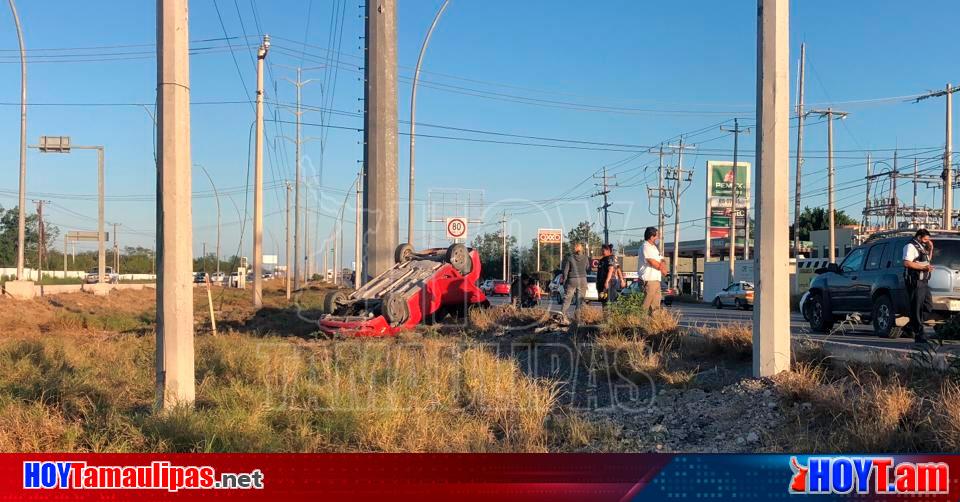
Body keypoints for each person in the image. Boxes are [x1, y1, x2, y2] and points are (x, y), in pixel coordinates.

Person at [903, 228, 934, 343]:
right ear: (919, 237)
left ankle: (910, 326)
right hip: (915, 281)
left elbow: (927, 260)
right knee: (917, 307)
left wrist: (931, 249)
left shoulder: (922, 247)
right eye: (925, 239)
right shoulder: (910, 246)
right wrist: (923, 268)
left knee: (928, 306)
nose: (927, 242)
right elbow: (906, 262)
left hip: (924, 281)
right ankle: (919, 334)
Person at [638, 227, 668, 314]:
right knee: (646, 305)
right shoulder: (645, 247)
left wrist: (663, 266)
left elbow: (661, 259)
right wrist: (662, 269)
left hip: (656, 280)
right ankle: (640, 323)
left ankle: (654, 324)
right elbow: (651, 261)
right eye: (657, 236)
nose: (658, 238)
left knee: (656, 305)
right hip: (648, 280)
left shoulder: (654, 248)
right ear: (651, 237)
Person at [559, 242, 590, 324]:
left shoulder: (570, 258)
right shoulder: (586, 258)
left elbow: (565, 271)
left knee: (567, 299)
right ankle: (577, 319)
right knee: (580, 301)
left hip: (572, 280)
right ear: (582, 249)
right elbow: (588, 268)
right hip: (582, 280)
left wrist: (565, 281)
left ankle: (562, 317)